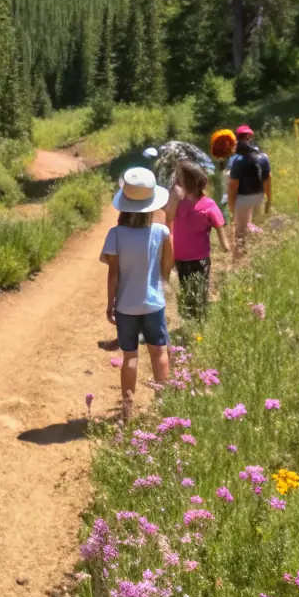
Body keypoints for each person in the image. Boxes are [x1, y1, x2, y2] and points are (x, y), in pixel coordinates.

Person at [100, 166, 173, 422]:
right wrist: (159, 279)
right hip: (154, 303)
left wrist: (111, 304)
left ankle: (128, 410)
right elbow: (167, 267)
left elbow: (113, 274)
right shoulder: (161, 232)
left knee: (130, 355)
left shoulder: (115, 235)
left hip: (126, 306)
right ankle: (165, 409)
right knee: (159, 352)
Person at [169, 159, 229, 321]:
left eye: (179, 178)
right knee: (186, 288)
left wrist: (225, 244)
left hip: (200, 258)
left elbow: (219, 224)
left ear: (189, 182)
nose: (176, 181)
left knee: (200, 289)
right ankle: (190, 320)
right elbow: (167, 214)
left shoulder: (208, 204)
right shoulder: (178, 203)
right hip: (180, 257)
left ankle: (200, 320)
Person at [226, 124, 271, 254]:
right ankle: (260, 251)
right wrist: (268, 199)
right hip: (259, 196)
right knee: (255, 224)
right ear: (250, 137)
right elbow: (268, 180)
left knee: (240, 231)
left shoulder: (237, 160)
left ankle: (240, 257)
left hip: (244, 198)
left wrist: (231, 205)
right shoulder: (263, 157)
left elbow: (233, 185)